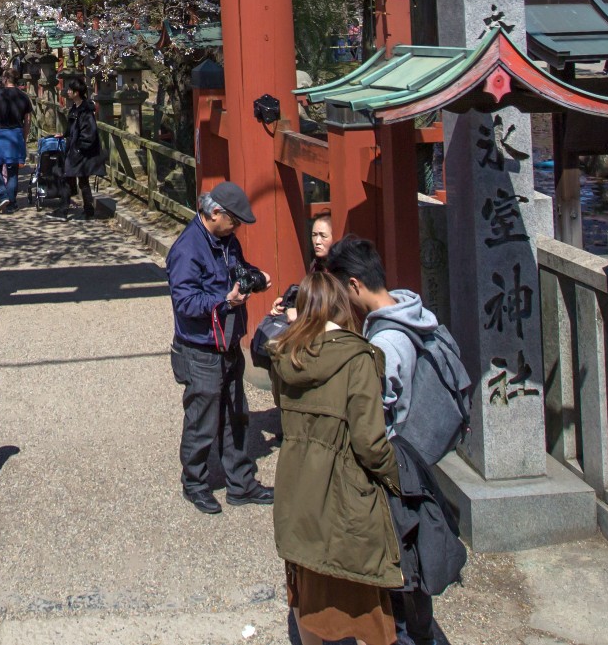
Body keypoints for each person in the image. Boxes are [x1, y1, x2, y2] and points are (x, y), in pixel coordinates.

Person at [326, 236, 458, 645]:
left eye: (339, 292)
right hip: (414, 459)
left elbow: (374, 416)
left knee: (400, 576)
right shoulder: (409, 309)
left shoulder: (386, 342)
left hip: (394, 465)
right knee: (407, 574)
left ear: (353, 285)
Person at [267, 269, 405, 645]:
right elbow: (369, 442)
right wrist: (397, 479)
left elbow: (283, 406)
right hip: (345, 489)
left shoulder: (284, 354)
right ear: (341, 305)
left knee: (308, 587)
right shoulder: (357, 357)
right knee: (364, 595)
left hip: (297, 488)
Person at [165, 182, 270, 512]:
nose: (237, 227)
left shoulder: (226, 240)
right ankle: (194, 482)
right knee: (202, 419)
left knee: (236, 416)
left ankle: (241, 482)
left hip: (228, 344)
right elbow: (185, 302)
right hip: (199, 349)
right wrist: (224, 300)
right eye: (235, 221)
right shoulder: (187, 249)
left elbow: (237, 269)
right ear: (215, 214)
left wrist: (253, 276)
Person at [0, 74, 32, 212]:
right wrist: (24, 135)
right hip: (16, 133)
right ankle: (11, 203)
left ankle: (2, 194)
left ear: (5, 80)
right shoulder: (24, 96)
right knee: (13, 169)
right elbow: (28, 120)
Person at [60, 76, 104, 220]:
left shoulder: (85, 112)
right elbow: (71, 129)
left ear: (76, 92)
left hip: (81, 152)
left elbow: (89, 134)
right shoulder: (75, 108)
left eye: (70, 90)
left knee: (72, 178)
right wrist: (63, 135)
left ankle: (65, 210)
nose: (67, 92)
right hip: (75, 150)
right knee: (80, 180)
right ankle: (87, 209)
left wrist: (78, 147)